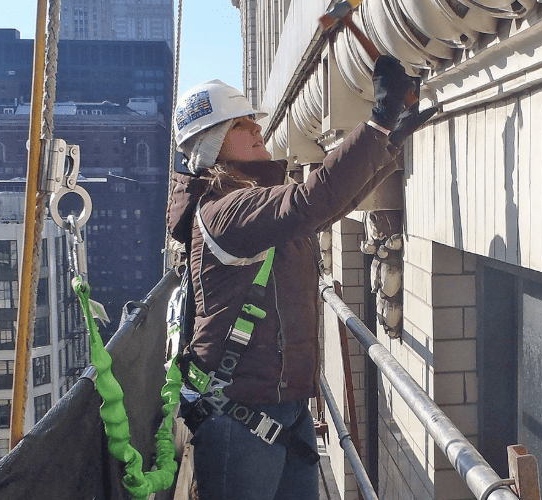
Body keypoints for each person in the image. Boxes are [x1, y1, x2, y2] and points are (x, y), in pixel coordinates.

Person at [165, 56, 436, 500]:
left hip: (278, 405)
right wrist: (377, 125)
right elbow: (310, 201)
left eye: (254, 123)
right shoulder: (225, 211)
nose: (257, 131)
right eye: (242, 127)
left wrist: (387, 143)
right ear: (212, 143)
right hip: (240, 414)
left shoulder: (251, 204)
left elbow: (327, 206)